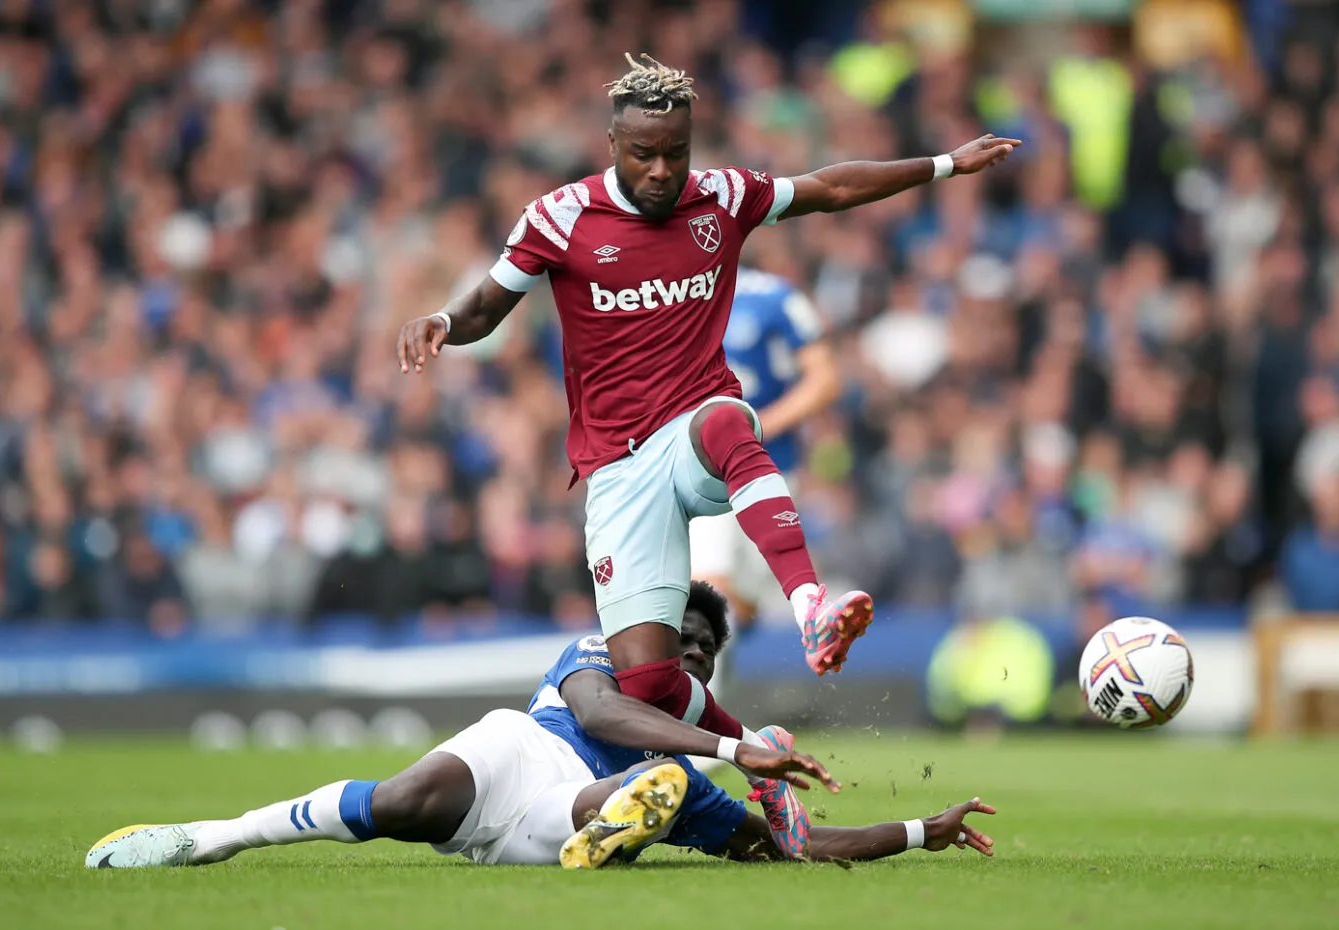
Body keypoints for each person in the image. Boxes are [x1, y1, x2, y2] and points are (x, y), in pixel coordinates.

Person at [396, 52, 1020, 852]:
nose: (661, 171)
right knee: (651, 683)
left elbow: (831, 188)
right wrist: (445, 322)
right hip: (616, 472)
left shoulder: (722, 197)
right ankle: (759, 759)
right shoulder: (560, 216)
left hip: (690, 434)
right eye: (642, 154)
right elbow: (489, 302)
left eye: (675, 153)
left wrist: (943, 164)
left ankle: (810, 607)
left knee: (729, 419)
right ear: (613, 143)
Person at [86, 583, 834, 869]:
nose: (696, 651)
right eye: (685, 635)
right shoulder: (600, 651)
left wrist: (913, 831)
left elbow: (782, 829)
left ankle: (609, 830)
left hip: (555, 809)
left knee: (653, 784)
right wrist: (739, 751)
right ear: (655, 633)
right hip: (520, 749)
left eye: (709, 646)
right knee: (404, 804)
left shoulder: (702, 711)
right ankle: (221, 835)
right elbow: (603, 712)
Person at [690, 266, 840, 631]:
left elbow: (825, 378)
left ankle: (717, 675)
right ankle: (693, 683)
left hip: (772, 466)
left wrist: (761, 424)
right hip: (704, 467)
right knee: (706, 586)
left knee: (741, 607)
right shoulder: (664, 291)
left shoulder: (774, 296)